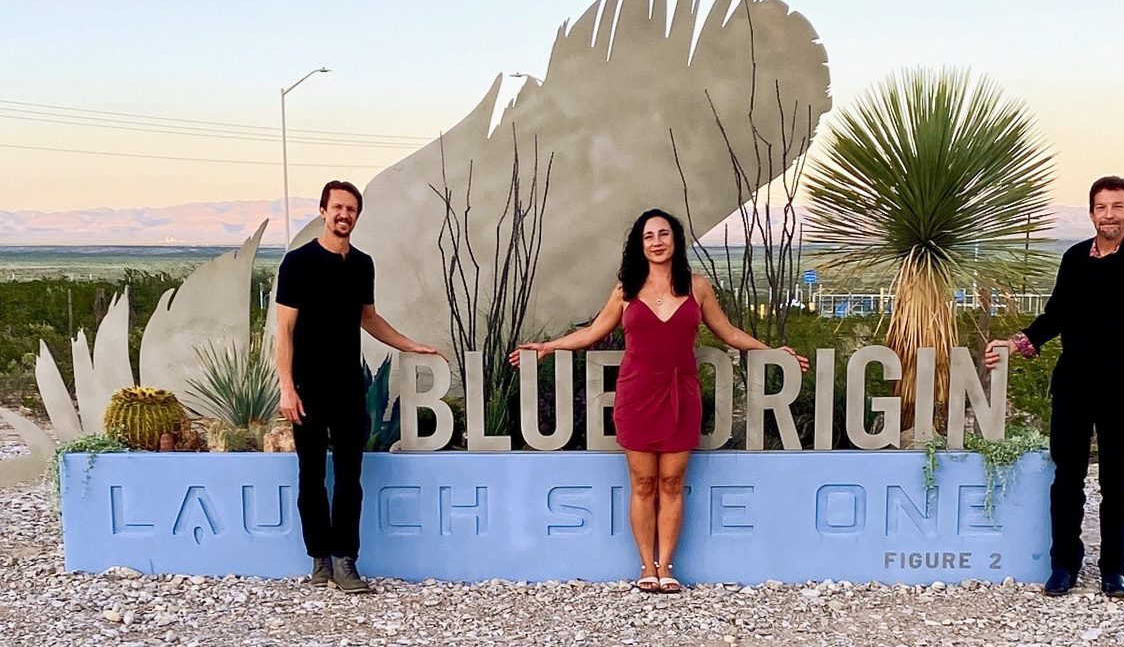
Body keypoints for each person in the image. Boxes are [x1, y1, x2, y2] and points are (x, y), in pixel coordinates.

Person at [509, 208, 808, 593]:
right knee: (643, 482)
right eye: (648, 236)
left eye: (663, 234)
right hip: (636, 394)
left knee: (672, 481)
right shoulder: (626, 289)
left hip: (681, 393)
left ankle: (666, 566)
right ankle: (645, 566)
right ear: (639, 244)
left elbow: (728, 333)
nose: (656, 242)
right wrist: (548, 347)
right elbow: (593, 332)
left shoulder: (697, 286)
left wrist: (773, 351)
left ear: (675, 240)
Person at [985, 176, 1124, 599]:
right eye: (1101, 207)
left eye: (1117, 206)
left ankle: (1114, 570)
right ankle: (1064, 565)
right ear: (1091, 213)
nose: (1109, 215)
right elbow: (1056, 314)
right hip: (1073, 384)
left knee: (1116, 480)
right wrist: (1017, 343)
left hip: (1123, 388)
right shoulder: (1074, 258)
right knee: (1066, 478)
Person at [276, 180, 446, 593]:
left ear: (356, 216)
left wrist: (409, 344)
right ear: (322, 211)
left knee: (350, 477)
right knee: (311, 476)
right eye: (337, 208)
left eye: (351, 209)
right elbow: (284, 330)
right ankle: (319, 558)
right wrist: (287, 388)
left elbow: (367, 317)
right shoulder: (297, 263)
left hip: (350, 385)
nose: (344, 215)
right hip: (308, 386)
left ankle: (346, 561)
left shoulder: (362, 264)